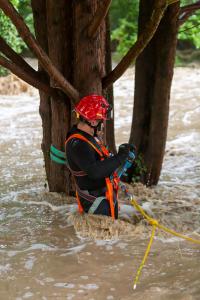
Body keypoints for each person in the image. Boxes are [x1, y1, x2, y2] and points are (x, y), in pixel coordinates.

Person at [65, 94, 131, 219]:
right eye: (102, 121)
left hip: (102, 199)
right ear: (93, 121)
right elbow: (94, 171)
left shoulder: (89, 137)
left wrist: (122, 158)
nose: (103, 124)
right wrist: (120, 157)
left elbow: (103, 165)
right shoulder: (78, 144)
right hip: (94, 205)